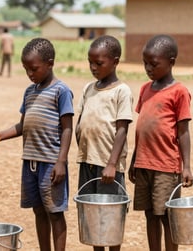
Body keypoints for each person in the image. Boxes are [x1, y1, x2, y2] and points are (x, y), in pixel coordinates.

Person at [0, 38, 74, 251]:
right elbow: (23, 125)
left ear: (50, 63)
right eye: (26, 69)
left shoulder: (61, 91)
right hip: (30, 163)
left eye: (34, 69)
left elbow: (68, 128)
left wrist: (61, 161)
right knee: (38, 210)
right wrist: (1, 135)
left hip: (51, 163)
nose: (30, 74)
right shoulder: (29, 92)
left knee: (54, 212)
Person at [128, 34, 193, 251]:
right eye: (145, 63)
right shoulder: (145, 89)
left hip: (167, 166)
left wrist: (187, 167)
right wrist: (135, 160)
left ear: (171, 62)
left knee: (167, 214)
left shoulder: (179, 92)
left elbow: (183, 132)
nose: (148, 68)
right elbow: (142, 128)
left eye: (154, 64)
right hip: (144, 163)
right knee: (150, 214)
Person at [75, 35, 134, 251]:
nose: (93, 67)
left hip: (108, 166)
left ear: (115, 61)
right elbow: (81, 120)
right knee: (92, 214)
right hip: (87, 162)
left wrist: (111, 163)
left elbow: (122, 130)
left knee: (110, 216)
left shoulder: (122, 91)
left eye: (99, 63)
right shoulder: (88, 88)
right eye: (90, 62)